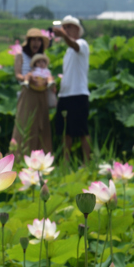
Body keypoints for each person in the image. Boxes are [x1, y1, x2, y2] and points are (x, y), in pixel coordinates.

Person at [52, 15, 91, 164]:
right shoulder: (68, 52)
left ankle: (88, 163)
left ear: (77, 29)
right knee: (65, 132)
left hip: (79, 94)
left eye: (69, 27)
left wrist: (62, 35)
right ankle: (66, 163)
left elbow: (74, 45)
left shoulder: (82, 44)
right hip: (65, 95)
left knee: (82, 131)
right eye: (64, 27)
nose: (66, 29)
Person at [12, 29, 53, 153]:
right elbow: (17, 74)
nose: (36, 43)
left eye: (39, 40)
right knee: (25, 124)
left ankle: (42, 155)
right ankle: (20, 155)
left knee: (42, 125)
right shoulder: (20, 55)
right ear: (28, 42)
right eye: (33, 40)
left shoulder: (42, 58)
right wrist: (27, 79)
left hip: (42, 93)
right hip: (28, 92)